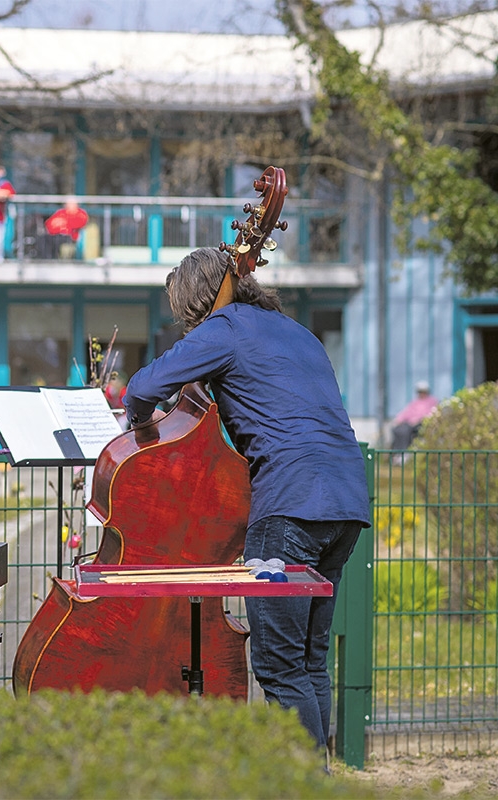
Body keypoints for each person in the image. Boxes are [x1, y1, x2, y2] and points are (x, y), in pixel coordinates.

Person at [121, 247, 370, 757]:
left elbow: (142, 387)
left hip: (289, 505)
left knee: (279, 665)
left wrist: (138, 426)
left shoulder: (224, 329)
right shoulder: (296, 331)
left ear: (197, 299)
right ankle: (319, 780)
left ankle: (300, 785)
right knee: (309, 659)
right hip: (346, 501)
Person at [390, 380, 438, 451]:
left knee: (406, 431)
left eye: (423, 392)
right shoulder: (415, 402)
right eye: (420, 392)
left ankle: (405, 450)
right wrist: (398, 419)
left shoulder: (432, 401)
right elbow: (406, 412)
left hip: (421, 424)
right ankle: (397, 451)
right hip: (410, 423)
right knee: (397, 430)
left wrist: (419, 419)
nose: (421, 394)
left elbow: (431, 414)